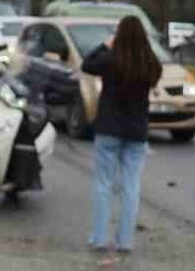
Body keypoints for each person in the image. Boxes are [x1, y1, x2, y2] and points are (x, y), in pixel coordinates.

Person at [81, 15, 163, 255]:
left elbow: (87, 64)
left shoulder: (110, 59)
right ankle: (125, 241)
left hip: (109, 129)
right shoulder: (149, 63)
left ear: (119, 35)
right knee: (131, 187)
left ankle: (99, 237)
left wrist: (105, 45)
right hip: (136, 131)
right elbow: (155, 74)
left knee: (103, 184)